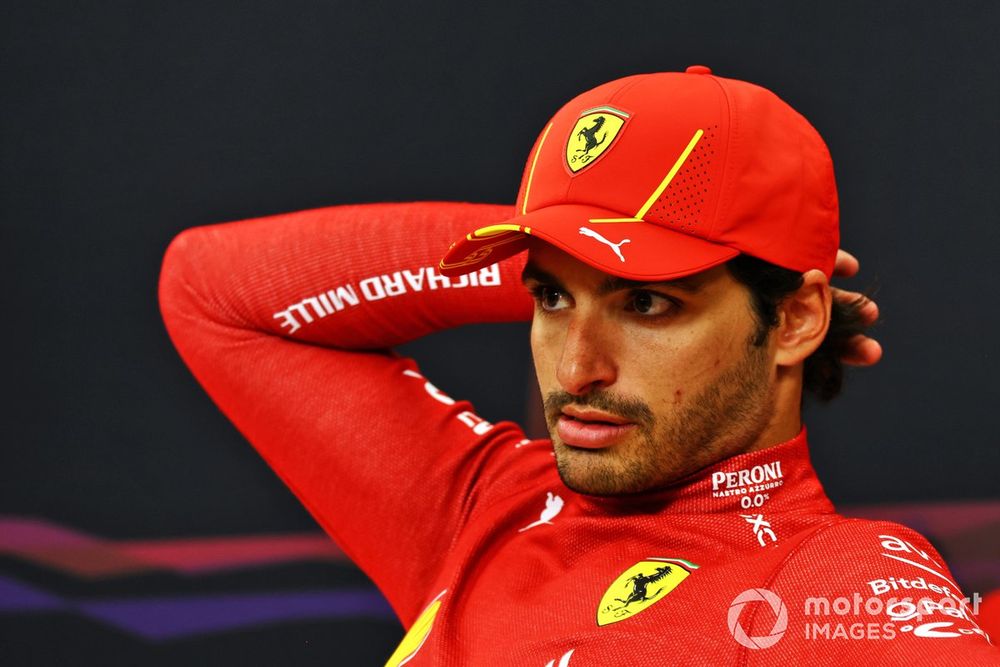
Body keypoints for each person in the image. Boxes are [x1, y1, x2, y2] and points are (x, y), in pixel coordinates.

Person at [159, 67, 998, 664]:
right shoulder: (485, 505)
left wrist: (580, 250)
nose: (577, 367)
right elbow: (213, 292)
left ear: (795, 319)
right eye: (551, 298)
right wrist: (562, 236)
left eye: (647, 304)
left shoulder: (833, 583)